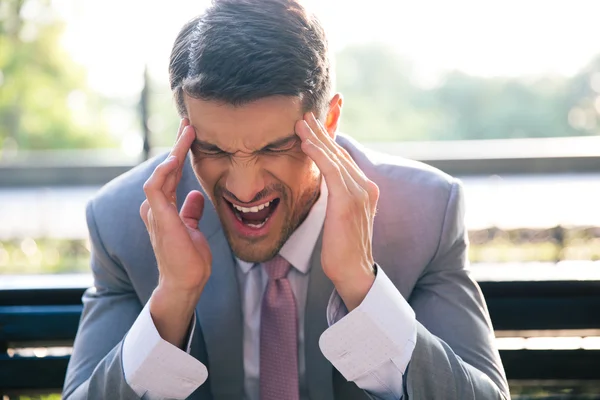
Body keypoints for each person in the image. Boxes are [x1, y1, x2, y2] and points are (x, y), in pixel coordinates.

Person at [63, 0, 510, 399]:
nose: (243, 188)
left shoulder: (426, 213)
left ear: (329, 121)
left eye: (275, 148)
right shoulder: (124, 221)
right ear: (184, 128)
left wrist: (361, 287)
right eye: (214, 149)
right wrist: (173, 300)